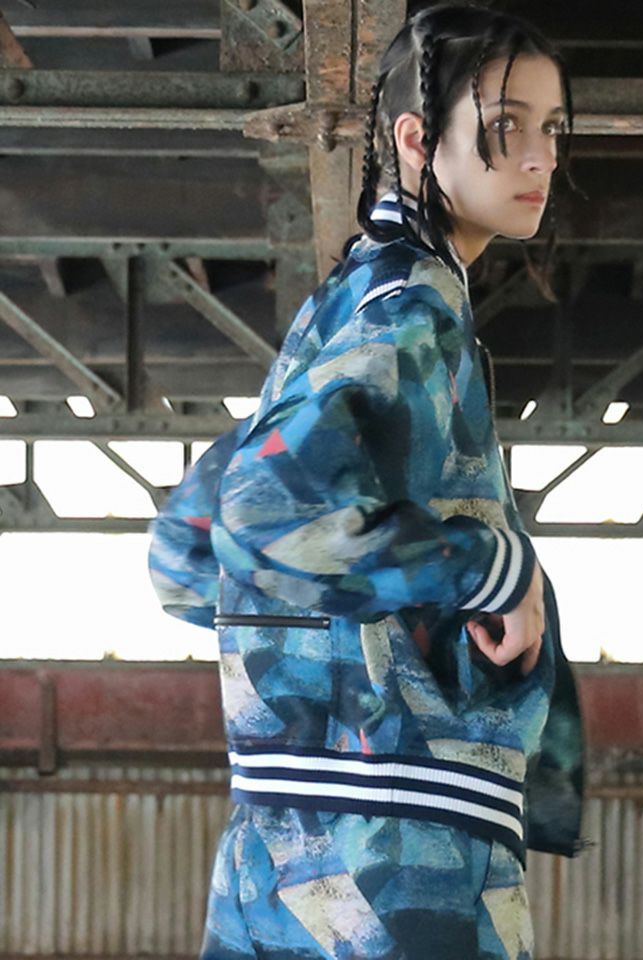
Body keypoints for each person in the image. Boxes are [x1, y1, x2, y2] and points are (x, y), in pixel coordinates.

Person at [149, 4, 584, 957]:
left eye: (554, 129)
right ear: (418, 141)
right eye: (507, 125)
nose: (541, 158)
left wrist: (307, 641)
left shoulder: (341, 308)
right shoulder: (414, 309)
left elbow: (186, 552)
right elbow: (262, 512)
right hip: (398, 853)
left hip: (277, 850)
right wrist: (493, 569)